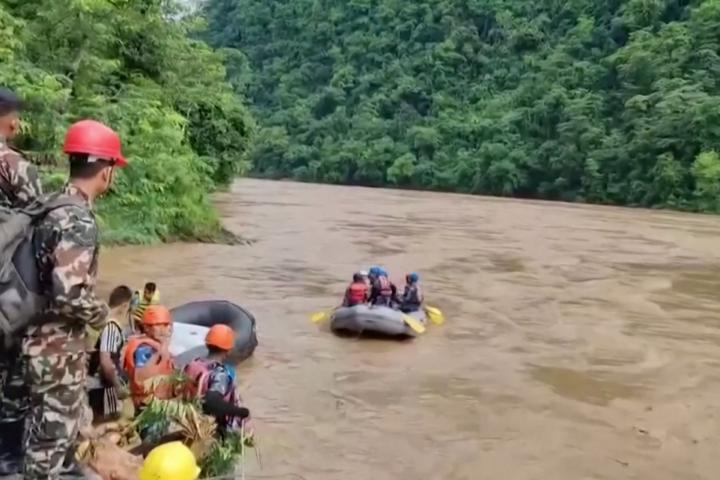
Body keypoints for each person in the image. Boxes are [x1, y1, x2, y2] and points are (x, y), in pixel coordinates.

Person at [22, 119, 127, 480]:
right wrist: (105, 315)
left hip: (30, 338)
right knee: (47, 451)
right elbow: (70, 294)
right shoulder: (77, 218)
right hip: (56, 352)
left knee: (41, 437)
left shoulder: (49, 205)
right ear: (106, 169)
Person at [0, 88, 43, 475]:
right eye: (13, 116)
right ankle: (9, 458)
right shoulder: (14, 165)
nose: (16, 123)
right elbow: (39, 223)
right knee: (13, 371)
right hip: (8, 288)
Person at [183, 325, 251, 439]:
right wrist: (242, 412)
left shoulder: (194, 364)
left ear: (206, 344)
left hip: (191, 424)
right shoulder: (220, 374)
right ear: (228, 349)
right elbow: (211, 403)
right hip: (213, 430)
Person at [122, 305, 175, 439]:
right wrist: (161, 350)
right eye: (158, 325)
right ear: (146, 327)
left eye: (166, 325)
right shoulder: (143, 349)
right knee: (152, 443)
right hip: (148, 406)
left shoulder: (156, 345)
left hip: (159, 405)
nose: (163, 329)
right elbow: (141, 376)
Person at [87, 285, 133, 422]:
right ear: (124, 305)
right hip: (102, 386)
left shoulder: (99, 322)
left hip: (93, 382)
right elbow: (106, 360)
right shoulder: (112, 327)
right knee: (108, 421)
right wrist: (117, 386)